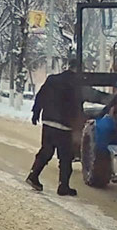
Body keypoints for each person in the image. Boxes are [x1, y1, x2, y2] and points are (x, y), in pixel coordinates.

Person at [26, 59, 82, 196]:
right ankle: (63, 186)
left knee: (46, 150)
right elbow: (88, 98)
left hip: (48, 121)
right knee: (66, 156)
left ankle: (33, 176)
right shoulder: (76, 83)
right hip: (64, 125)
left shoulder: (52, 80)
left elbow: (40, 96)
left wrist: (36, 113)